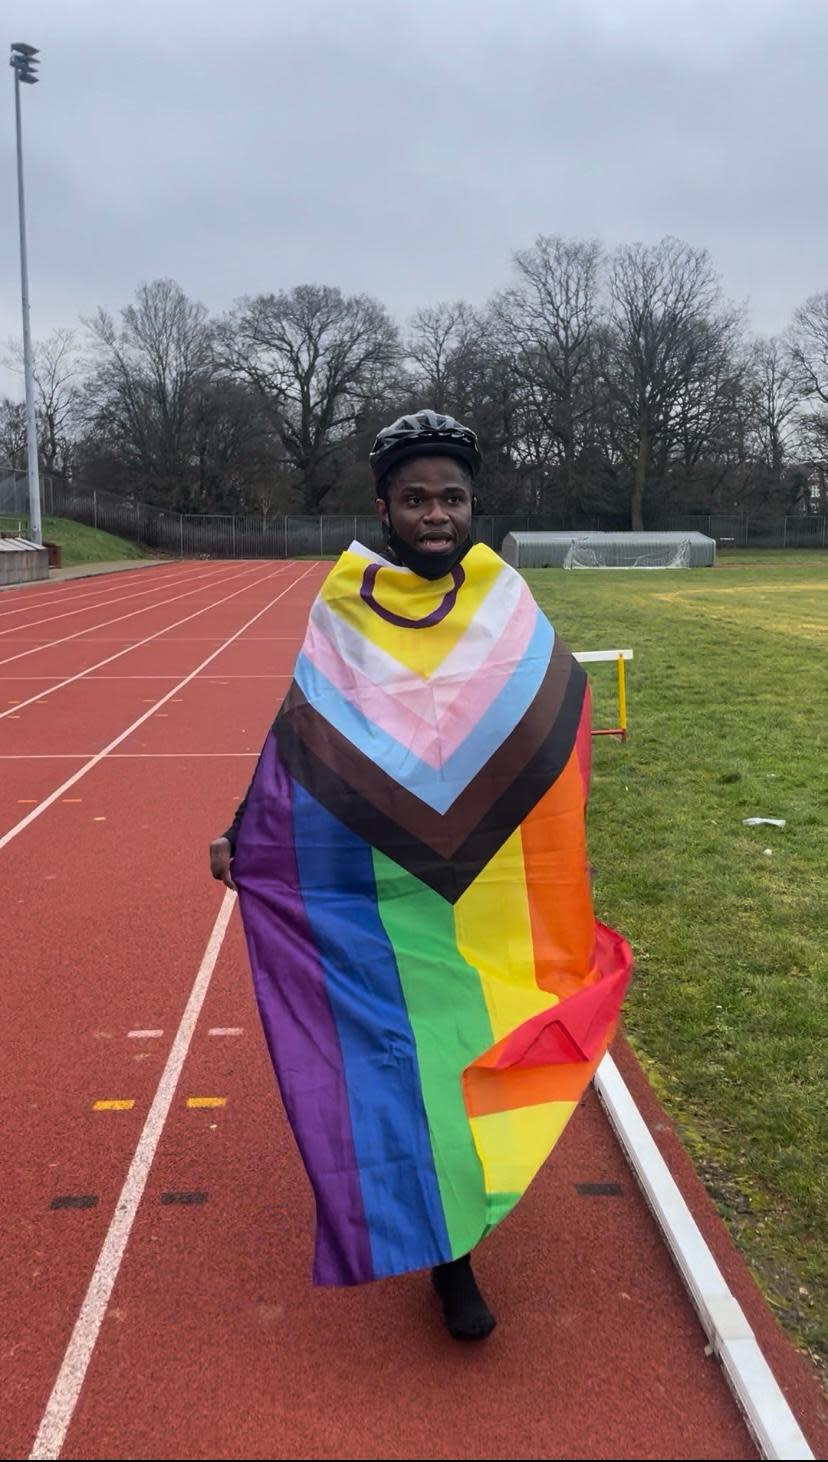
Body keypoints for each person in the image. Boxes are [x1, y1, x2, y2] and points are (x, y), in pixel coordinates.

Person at [210, 410, 631, 1342]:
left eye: (451, 498)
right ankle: (451, 1261)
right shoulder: (345, 602)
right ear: (383, 507)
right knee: (409, 1062)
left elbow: (551, 717)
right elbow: (304, 729)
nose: (435, 515)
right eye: (415, 499)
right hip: (381, 885)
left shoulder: (504, 596)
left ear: (473, 506)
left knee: (485, 1042)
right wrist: (247, 827)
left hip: (485, 891)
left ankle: (461, 1218)